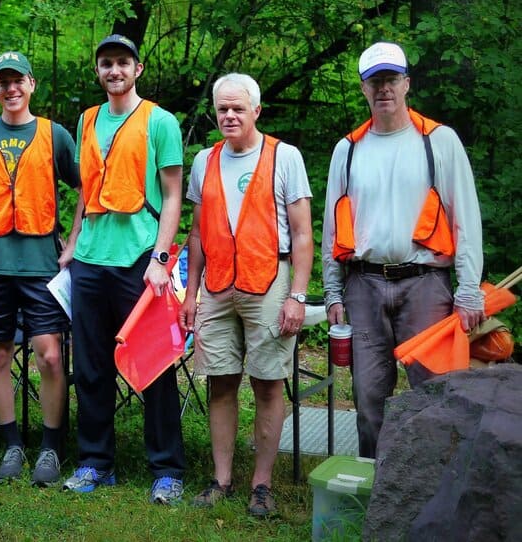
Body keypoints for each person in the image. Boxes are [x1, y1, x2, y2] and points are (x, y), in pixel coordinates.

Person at [322, 41, 484, 458]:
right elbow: (329, 230)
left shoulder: (439, 141)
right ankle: (376, 495)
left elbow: (465, 220)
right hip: (363, 284)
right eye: (375, 81)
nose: (384, 89)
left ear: (407, 84)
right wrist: (333, 292)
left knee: (434, 393)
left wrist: (468, 290)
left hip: (426, 284)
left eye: (391, 79)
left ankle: (430, 493)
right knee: (368, 398)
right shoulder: (349, 149)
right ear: (363, 89)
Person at [178, 73, 313, 517]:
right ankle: (221, 479)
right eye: (222, 109)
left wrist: (297, 294)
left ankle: (262, 484)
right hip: (217, 287)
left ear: (257, 110)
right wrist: (190, 294)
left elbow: (303, 233)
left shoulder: (284, 156)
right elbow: (197, 233)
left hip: (269, 281)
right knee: (221, 382)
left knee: (268, 384)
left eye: (238, 108)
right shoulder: (204, 160)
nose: (229, 116)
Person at [62, 34, 187, 504]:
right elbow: (86, 191)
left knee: (153, 364)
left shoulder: (161, 121)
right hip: (91, 260)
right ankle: (95, 463)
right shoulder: (87, 119)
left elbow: (172, 194)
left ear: (138, 69)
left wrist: (159, 259)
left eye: (122, 63)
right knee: (91, 367)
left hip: (140, 260)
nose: (114, 70)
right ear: (98, 72)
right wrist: (73, 243)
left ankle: (167, 469)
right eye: (106, 64)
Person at [0, 50, 79, 485]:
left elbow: (87, 187)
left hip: (40, 264)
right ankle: (12, 443)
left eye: (19, 81)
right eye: (3, 82)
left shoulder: (56, 135)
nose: (11, 88)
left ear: (32, 84)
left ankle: (51, 448)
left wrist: (72, 241)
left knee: (50, 355)